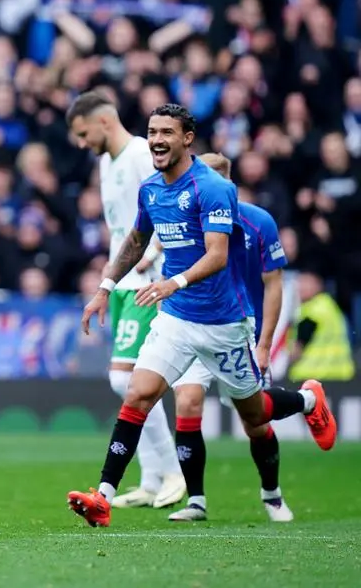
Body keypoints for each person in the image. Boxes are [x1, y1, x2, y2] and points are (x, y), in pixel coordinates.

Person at [67, 104, 337, 528]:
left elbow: (216, 255)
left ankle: (307, 400)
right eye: (152, 131)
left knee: (255, 414)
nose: (157, 139)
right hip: (175, 319)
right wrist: (104, 287)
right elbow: (137, 241)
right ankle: (103, 496)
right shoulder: (152, 189)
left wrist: (174, 282)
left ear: (187, 137)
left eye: (167, 132)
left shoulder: (213, 188)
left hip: (223, 324)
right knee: (137, 392)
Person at [66, 91, 187, 510]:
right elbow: (123, 228)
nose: (82, 143)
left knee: (126, 379)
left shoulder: (140, 153)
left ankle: (173, 471)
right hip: (122, 283)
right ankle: (152, 478)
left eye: (83, 134)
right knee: (127, 380)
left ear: (102, 122)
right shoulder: (106, 162)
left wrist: (154, 257)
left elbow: (161, 212)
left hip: (147, 281)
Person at [167, 153, 291, 522]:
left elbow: (273, 285)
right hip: (193, 324)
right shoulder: (185, 219)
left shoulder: (258, 222)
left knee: (254, 421)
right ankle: (196, 501)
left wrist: (265, 343)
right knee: (187, 401)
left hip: (239, 327)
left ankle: (272, 494)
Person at [287, 272, 355, 383]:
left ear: (318, 285)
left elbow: (296, 351)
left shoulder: (311, 311)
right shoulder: (329, 305)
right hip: (340, 374)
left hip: (311, 376)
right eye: (300, 283)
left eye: (306, 283)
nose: (300, 287)